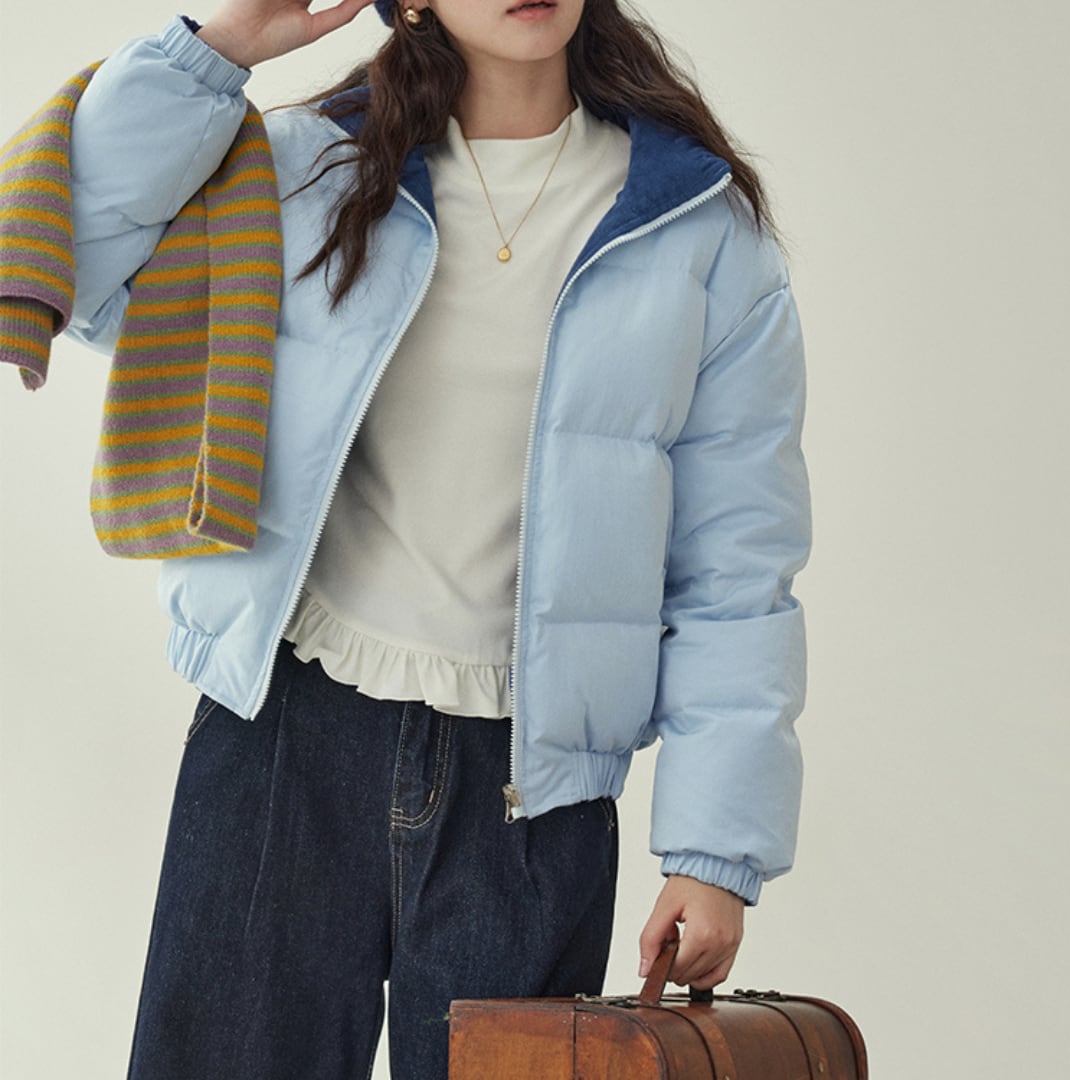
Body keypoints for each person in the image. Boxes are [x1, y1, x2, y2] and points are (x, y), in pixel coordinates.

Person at [13, 0, 811, 1076]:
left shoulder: (698, 224)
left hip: (532, 795)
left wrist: (715, 851)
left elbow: (738, 566)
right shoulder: (307, 169)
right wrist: (216, 50)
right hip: (286, 744)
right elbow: (77, 252)